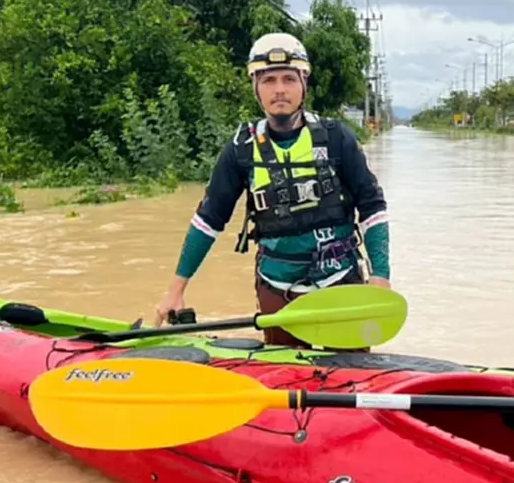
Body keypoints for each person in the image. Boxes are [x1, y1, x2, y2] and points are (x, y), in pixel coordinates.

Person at [153, 32, 391, 347]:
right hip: (277, 289)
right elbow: (208, 220)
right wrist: (176, 291)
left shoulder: (338, 139)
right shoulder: (240, 149)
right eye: (268, 81)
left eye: (289, 79)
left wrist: (380, 276)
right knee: (286, 384)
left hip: (340, 283)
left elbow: (373, 207)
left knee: (350, 377)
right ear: (256, 88)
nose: (280, 89)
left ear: (304, 83)